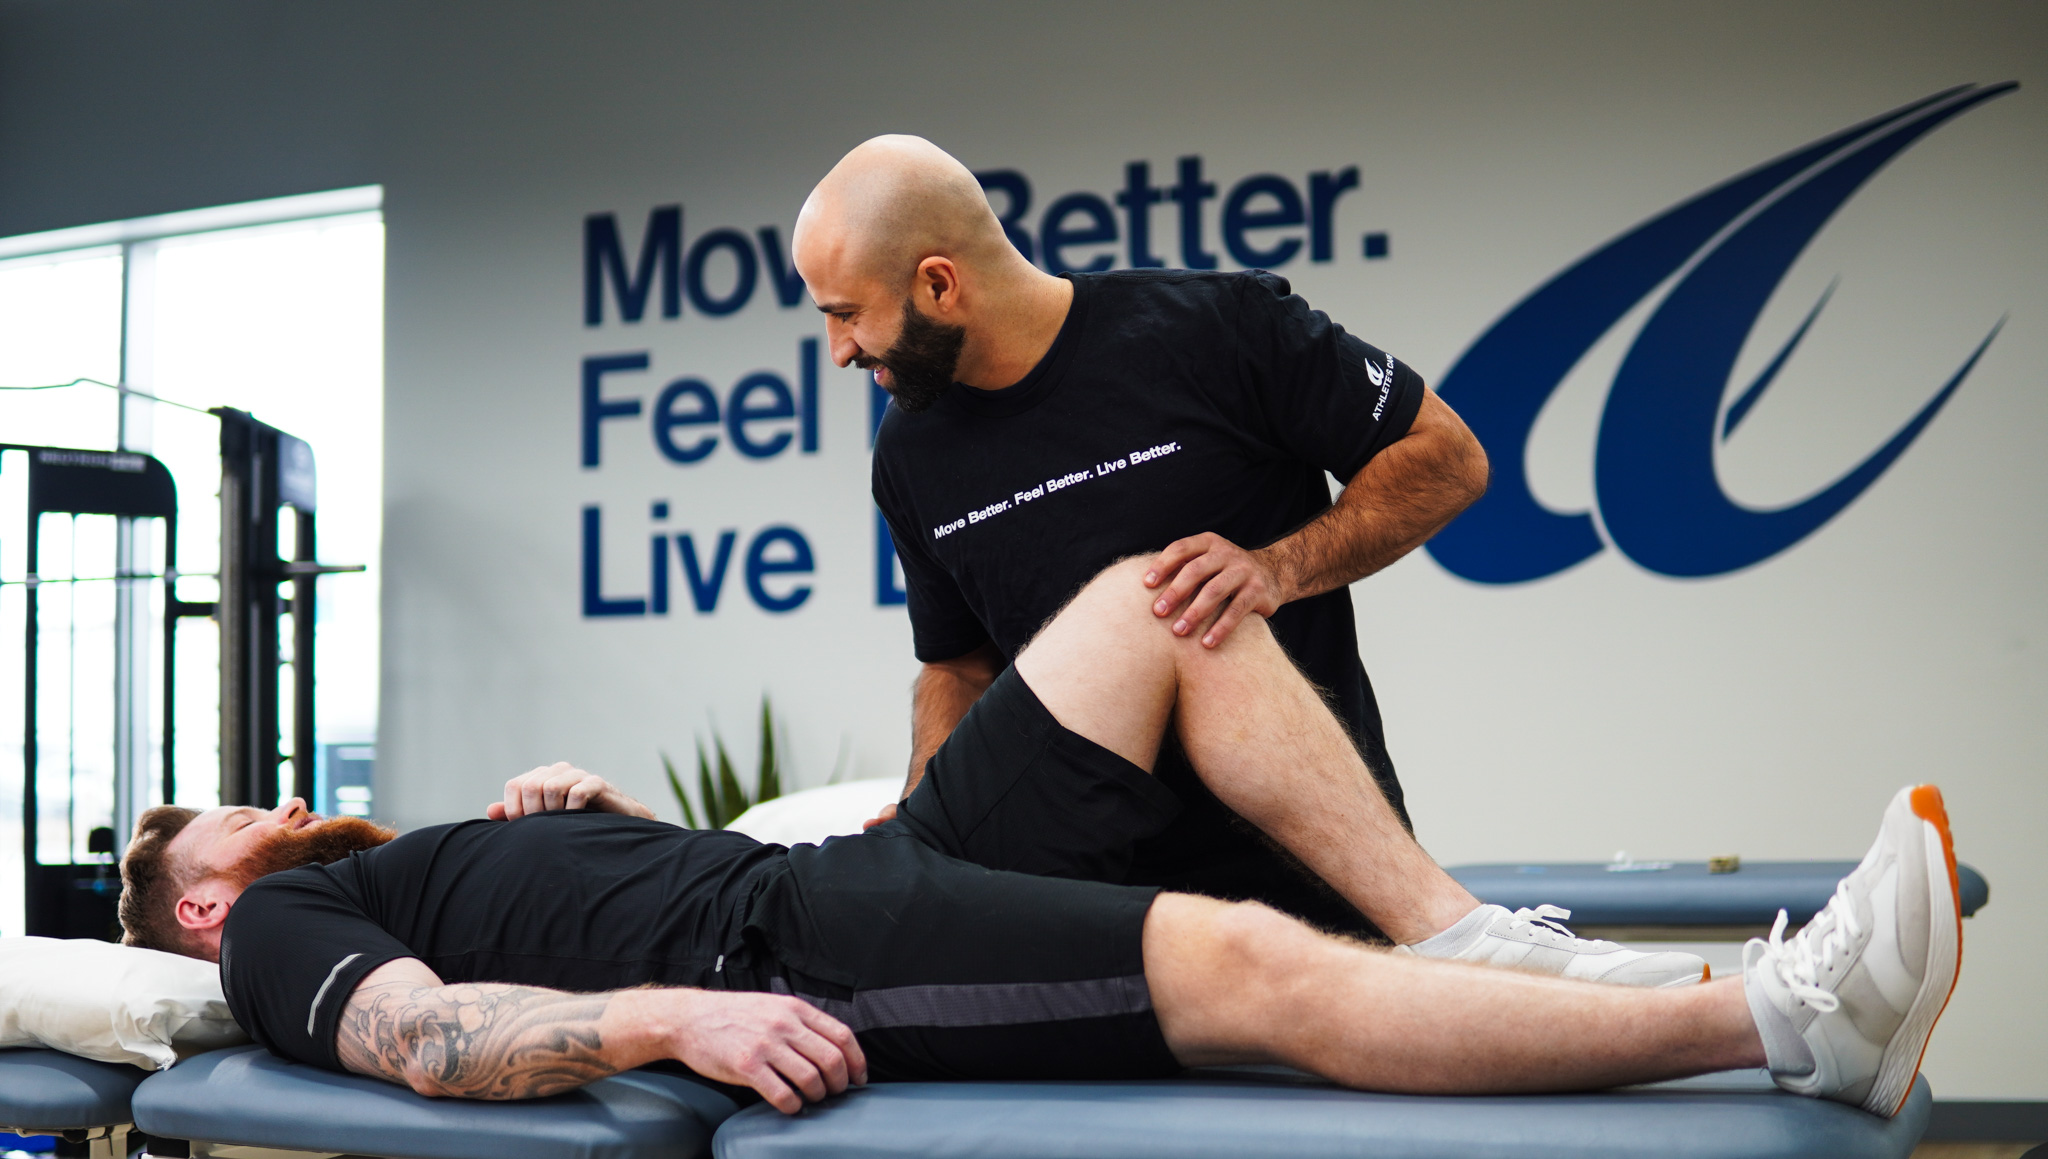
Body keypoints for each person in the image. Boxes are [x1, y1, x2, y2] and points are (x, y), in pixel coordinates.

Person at [118, 560, 1960, 1120]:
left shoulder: (403, 842)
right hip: (797, 951)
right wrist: (670, 1016)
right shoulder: (282, 941)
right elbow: (427, 1036)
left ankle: (1456, 926)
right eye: (247, 822)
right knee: (1248, 965)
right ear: (207, 903)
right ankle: (1788, 1015)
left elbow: (505, 923)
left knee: (1171, 598)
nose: (286, 806)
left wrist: (588, 818)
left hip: (821, 862)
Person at [792, 135, 1691, 980]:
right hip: (1110, 920)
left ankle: (1472, 940)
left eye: (846, 315)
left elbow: (1447, 458)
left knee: (1176, 608)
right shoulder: (908, 454)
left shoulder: (1213, 328)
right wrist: (925, 824)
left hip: (1321, 885)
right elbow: (957, 664)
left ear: (940, 284)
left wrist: (1277, 569)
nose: (838, 349)